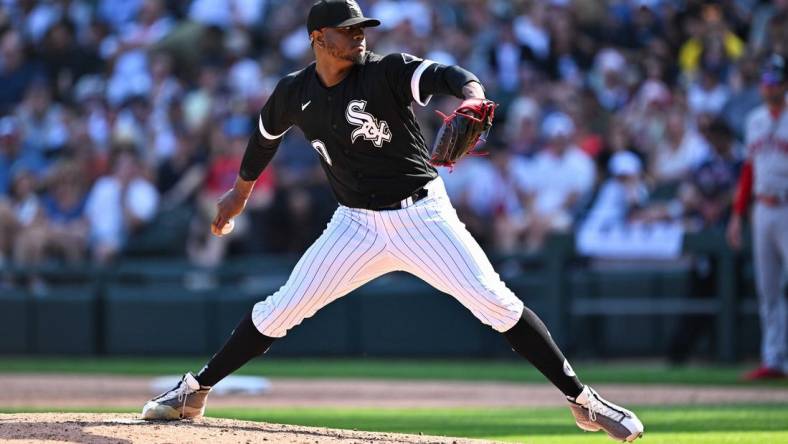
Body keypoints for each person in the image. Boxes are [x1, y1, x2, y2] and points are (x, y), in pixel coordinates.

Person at [141, 1, 644, 441]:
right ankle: (196, 390)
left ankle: (583, 400)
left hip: (422, 216)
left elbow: (448, 76)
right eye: (350, 30)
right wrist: (239, 192)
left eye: (363, 28)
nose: (360, 37)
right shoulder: (293, 92)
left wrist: (470, 97)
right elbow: (264, 135)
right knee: (279, 310)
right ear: (319, 38)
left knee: (495, 301)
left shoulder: (385, 71)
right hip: (354, 225)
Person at [727, 54, 788, 380]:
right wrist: (737, 215)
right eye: (766, 81)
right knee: (769, 290)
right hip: (763, 209)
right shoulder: (755, 120)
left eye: (774, 81)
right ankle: (774, 360)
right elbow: (749, 171)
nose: (769, 87)